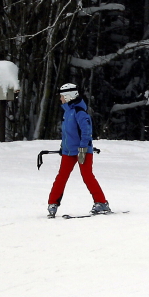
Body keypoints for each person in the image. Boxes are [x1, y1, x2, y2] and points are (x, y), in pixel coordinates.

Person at [47, 82, 111, 217]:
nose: (60, 98)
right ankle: (52, 203)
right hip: (68, 152)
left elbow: (87, 132)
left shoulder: (79, 113)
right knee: (61, 177)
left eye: (62, 96)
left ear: (69, 96)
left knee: (87, 176)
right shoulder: (67, 112)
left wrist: (82, 149)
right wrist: (62, 148)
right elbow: (66, 134)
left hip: (82, 151)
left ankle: (101, 202)